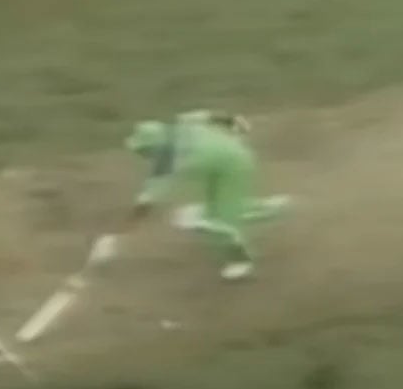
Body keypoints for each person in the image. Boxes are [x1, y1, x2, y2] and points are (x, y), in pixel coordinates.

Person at [86, 109, 291, 280]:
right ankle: (270, 208)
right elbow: (213, 116)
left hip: (232, 169)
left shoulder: (166, 162)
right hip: (235, 159)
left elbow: (145, 206)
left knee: (213, 223)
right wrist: (235, 122)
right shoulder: (183, 123)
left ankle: (241, 262)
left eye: (145, 152)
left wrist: (118, 235)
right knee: (223, 207)